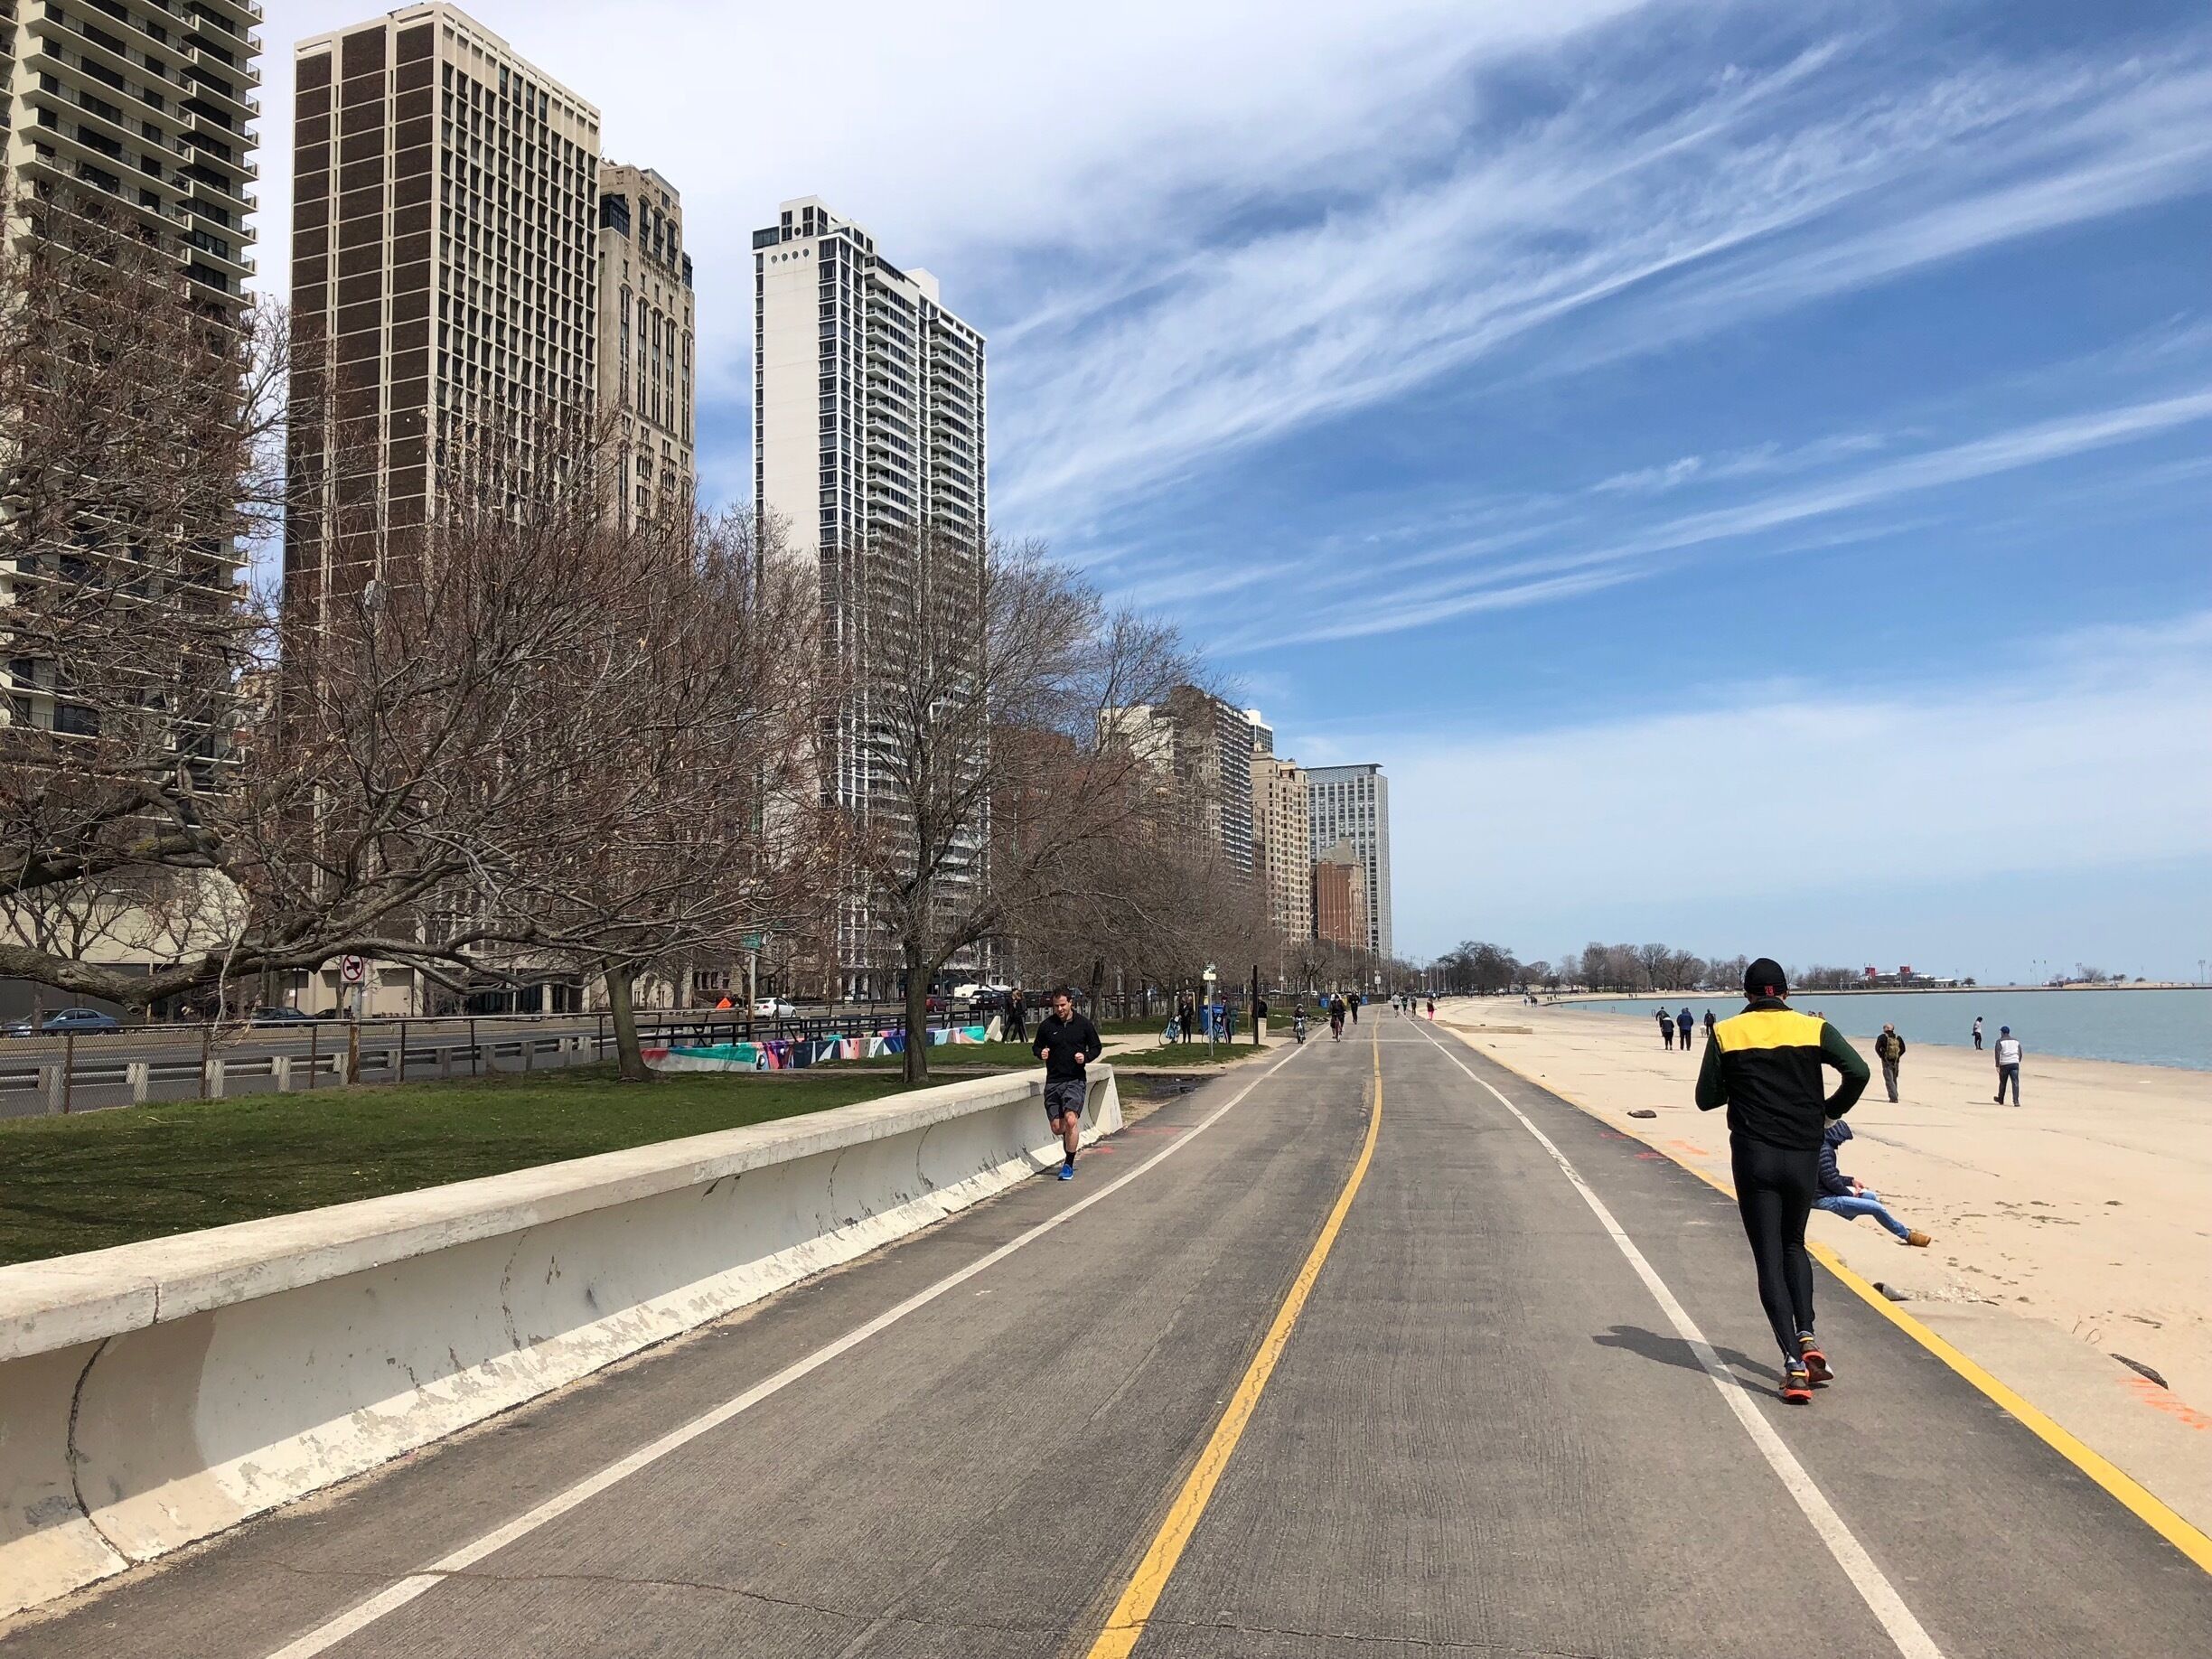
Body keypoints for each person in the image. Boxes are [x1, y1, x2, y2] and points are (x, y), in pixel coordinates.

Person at [1697, 957, 1870, 1404]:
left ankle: (1793, 1365)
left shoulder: (1727, 1032)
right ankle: (1808, 1336)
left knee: (1767, 1255)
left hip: (1755, 1157)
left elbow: (1705, 1099)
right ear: (1786, 992)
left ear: (1748, 994)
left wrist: (1738, 1084)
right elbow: (1860, 1072)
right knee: (1794, 1243)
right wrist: (1828, 1112)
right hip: (1802, 1156)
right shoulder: (1813, 1028)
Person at [1816, 1120, 1931, 1247]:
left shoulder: (1824, 1148)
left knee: (1870, 1196)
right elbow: (1831, 1181)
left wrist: (1850, 1181)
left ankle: (1839, 1224)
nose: (1842, 1142)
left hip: (1825, 1193)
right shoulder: (1825, 1151)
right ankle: (1907, 1235)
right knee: (1876, 1208)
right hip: (1822, 1199)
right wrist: (1849, 1193)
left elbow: (1829, 1175)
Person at [1032, 989, 1103, 1180]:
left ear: (1071, 1003)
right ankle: (1068, 1137)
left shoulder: (1083, 1024)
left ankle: (1068, 1165)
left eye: (1063, 1005)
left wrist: (1085, 1057)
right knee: (1057, 1127)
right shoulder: (1047, 1026)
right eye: (1056, 1006)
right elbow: (1036, 1046)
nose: (1060, 1009)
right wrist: (1041, 1053)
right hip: (1054, 1081)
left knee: (1071, 1120)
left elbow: (1096, 1047)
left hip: (1075, 1079)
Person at [1873, 1023, 1907, 1102]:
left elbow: (1877, 1048)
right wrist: (1898, 1056)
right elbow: (1903, 1049)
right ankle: (1895, 1095)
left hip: (1886, 1061)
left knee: (1889, 1079)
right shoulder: (1898, 1037)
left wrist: (1882, 1057)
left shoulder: (1881, 1037)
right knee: (1894, 1078)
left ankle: (1893, 1098)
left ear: (1885, 1029)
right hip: (1896, 1061)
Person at [1993, 1025, 2022, 1106]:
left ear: (2002, 1033)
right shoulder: (2016, 1041)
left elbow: (1997, 1053)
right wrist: (2017, 1061)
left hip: (2005, 1063)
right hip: (2014, 1063)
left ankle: (2001, 1099)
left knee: (2003, 1082)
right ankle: (2016, 1101)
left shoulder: (2000, 1041)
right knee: (2015, 1082)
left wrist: (1997, 1065)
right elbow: (2020, 1052)